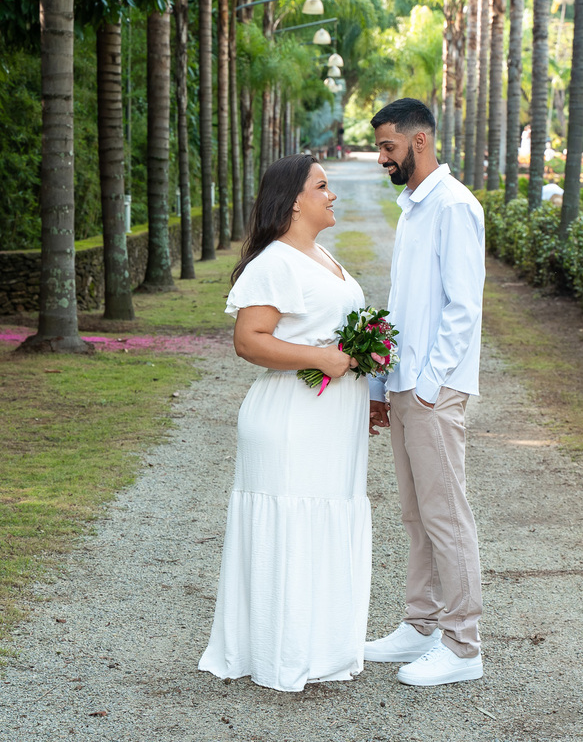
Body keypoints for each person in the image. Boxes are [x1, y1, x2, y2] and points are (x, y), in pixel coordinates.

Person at [198, 154, 373, 692]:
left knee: (327, 523)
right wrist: (321, 359)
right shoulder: (274, 262)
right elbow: (249, 340)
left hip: (333, 417)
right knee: (292, 526)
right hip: (292, 418)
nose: (332, 195)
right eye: (323, 186)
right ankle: (280, 652)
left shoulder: (321, 255)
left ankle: (320, 647)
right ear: (294, 199)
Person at [365, 98, 486, 687]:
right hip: (408, 383)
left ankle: (463, 647)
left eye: (387, 146)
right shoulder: (414, 207)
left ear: (418, 142)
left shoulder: (454, 206)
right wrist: (385, 383)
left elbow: (463, 308)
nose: (381, 158)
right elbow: (406, 309)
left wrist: (431, 385)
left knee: (446, 518)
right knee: (416, 515)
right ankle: (420, 626)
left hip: (434, 390)